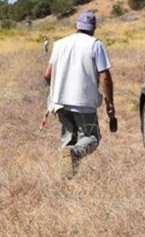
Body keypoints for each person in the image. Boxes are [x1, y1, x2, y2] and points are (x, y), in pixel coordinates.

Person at [43, 11, 116, 179]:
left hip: (60, 102)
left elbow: (47, 75)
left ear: (77, 26)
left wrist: (57, 92)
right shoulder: (95, 44)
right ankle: (74, 153)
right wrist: (109, 103)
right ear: (93, 28)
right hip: (83, 102)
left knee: (68, 140)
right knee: (91, 137)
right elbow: (105, 76)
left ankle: (67, 181)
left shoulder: (60, 44)